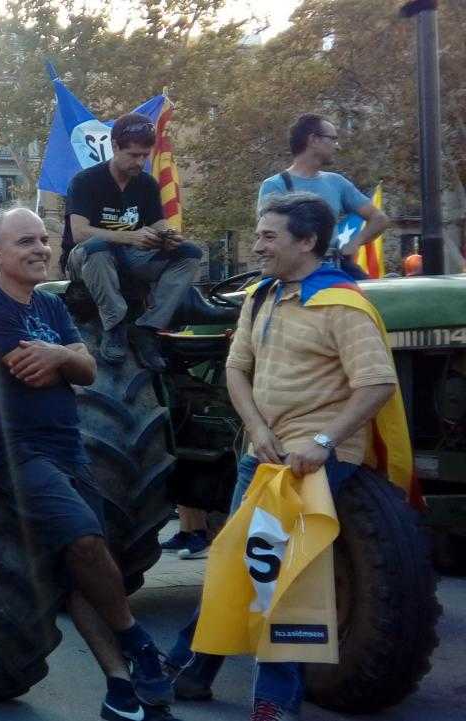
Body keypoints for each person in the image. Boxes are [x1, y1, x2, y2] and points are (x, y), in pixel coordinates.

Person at [166, 193, 398, 721]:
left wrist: (322, 442)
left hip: (308, 464)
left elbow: (377, 383)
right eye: (259, 233)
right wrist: (255, 427)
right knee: (236, 565)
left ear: (307, 241)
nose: (257, 244)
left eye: (270, 236)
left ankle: (267, 699)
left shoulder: (341, 303)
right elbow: (234, 369)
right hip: (262, 453)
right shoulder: (260, 296)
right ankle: (193, 671)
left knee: (273, 575)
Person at [0, 206, 180, 721]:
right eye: (25, 242)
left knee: (82, 567)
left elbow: (86, 368)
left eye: (42, 239)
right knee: (84, 540)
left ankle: (120, 690)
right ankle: (138, 642)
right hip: (13, 452)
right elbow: (27, 367)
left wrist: (61, 357)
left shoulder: (50, 307)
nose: (40, 249)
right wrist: (64, 358)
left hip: (65, 447)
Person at [64, 112, 203, 371]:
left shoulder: (147, 185)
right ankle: (114, 325)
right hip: (85, 261)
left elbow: (158, 224)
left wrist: (168, 237)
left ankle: (147, 327)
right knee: (97, 247)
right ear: (115, 146)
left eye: (145, 155)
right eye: (133, 155)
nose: (140, 162)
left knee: (191, 253)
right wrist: (130, 236)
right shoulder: (85, 181)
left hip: (130, 258)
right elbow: (79, 233)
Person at [257, 113, 390, 281]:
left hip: (332, 270)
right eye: (333, 139)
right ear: (314, 140)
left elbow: (379, 219)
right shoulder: (275, 185)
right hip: (291, 274)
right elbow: (269, 237)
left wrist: (356, 242)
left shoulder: (337, 182)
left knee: (370, 299)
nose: (338, 146)